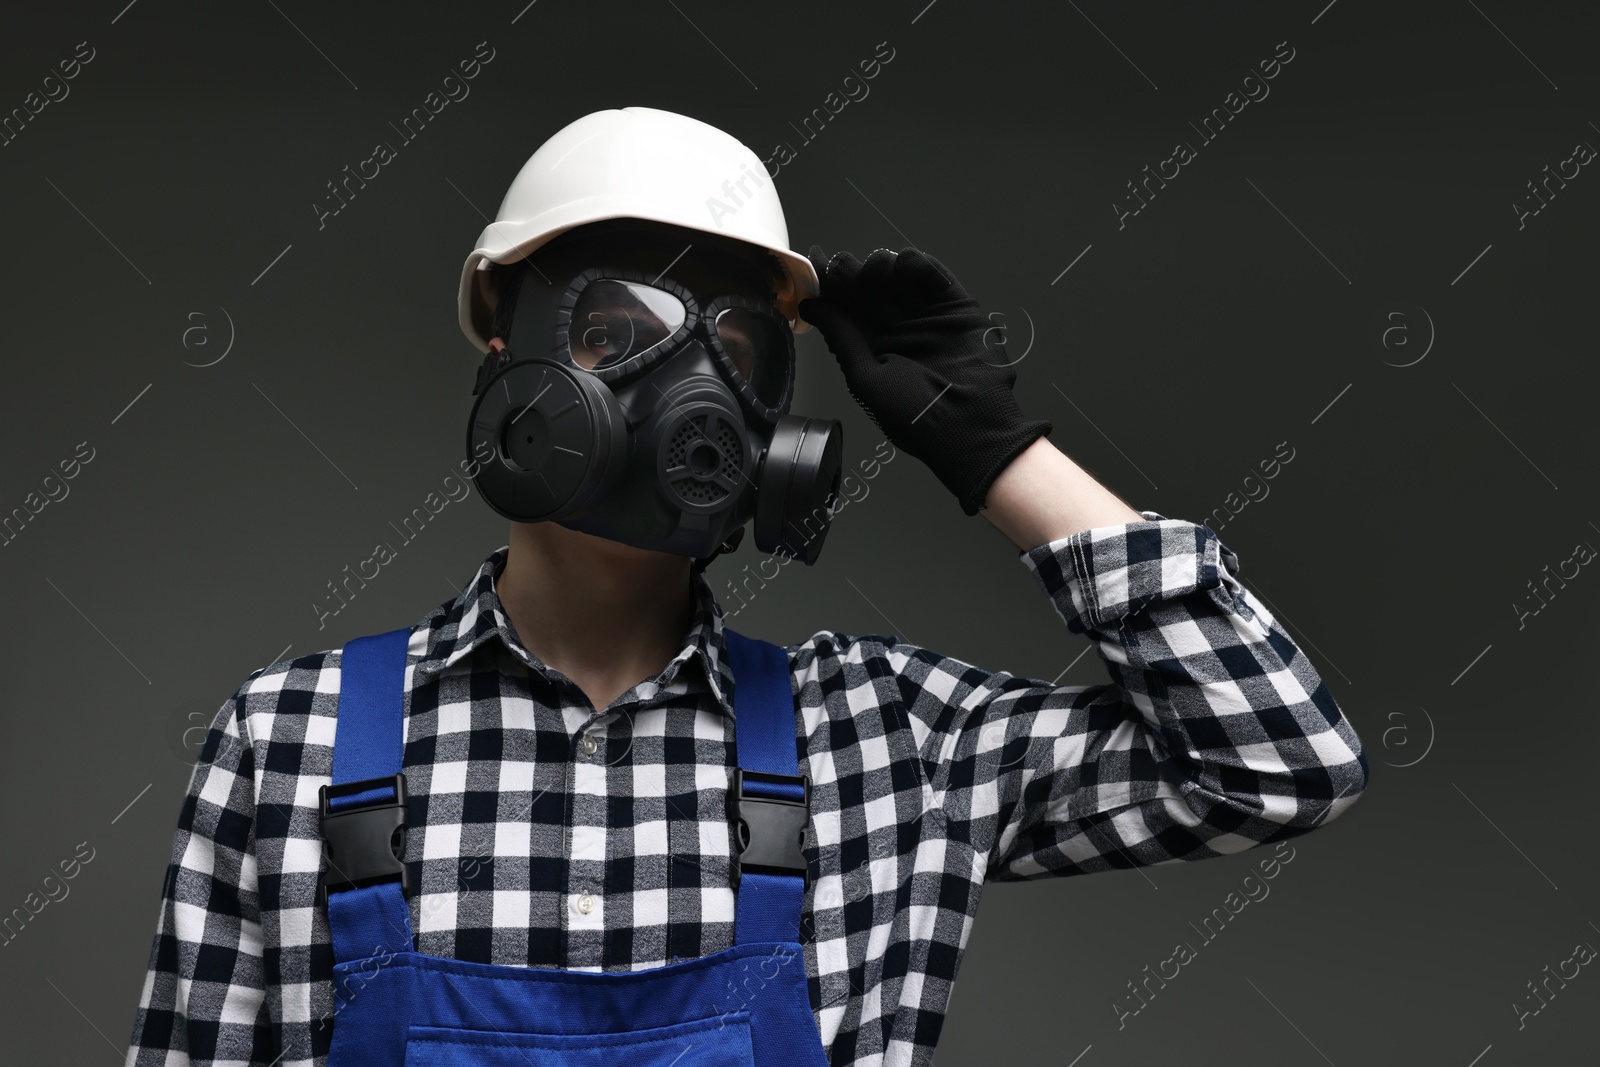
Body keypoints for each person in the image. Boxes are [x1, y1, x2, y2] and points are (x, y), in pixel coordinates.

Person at [124, 107, 1368, 1067]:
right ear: (508, 352)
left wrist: (995, 452)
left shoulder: (885, 740)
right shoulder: (292, 739)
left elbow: (1276, 759)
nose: (687, 393)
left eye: (733, 350)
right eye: (616, 332)